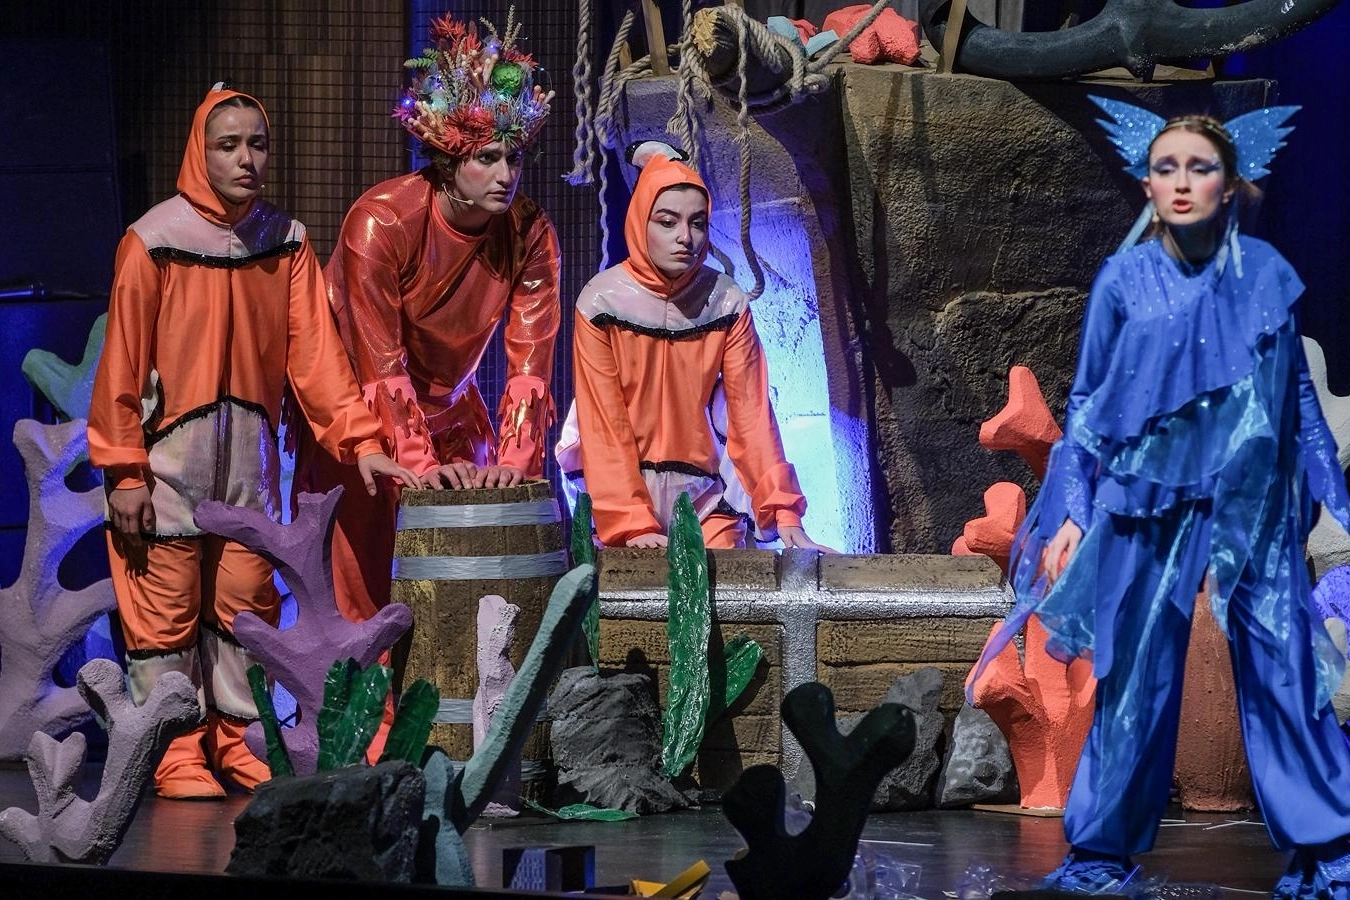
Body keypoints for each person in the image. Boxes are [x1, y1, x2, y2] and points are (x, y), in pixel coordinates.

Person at [971, 97, 1350, 897]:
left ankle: (1330, 850)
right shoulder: (1125, 281)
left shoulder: (1264, 277)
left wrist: (1326, 492)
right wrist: (1075, 510)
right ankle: (1099, 855)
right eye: (1166, 167)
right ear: (1148, 185)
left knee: (1282, 670)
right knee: (1134, 676)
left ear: (1228, 183)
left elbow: (1297, 397)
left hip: (1249, 499)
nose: (1181, 182)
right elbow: (1089, 401)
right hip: (1146, 500)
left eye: (1199, 168)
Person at [88, 85, 419, 799]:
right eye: (229, 145)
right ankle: (173, 753)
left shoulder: (285, 241)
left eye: (257, 144)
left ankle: (240, 743)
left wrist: (359, 441)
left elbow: (318, 360)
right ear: (200, 152)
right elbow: (120, 367)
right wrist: (124, 471)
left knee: (245, 610)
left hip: (251, 468)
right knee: (165, 617)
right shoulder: (153, 240)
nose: (246, 159)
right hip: (168, 467)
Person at [290, 12, 561, 753]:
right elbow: (378, 362)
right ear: (446, 160)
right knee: (366, 593)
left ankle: (455, 734)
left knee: (463, 583)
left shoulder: (531, 232)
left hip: (452, 415)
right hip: (363, 429)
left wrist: (513, 467)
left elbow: (530, 365)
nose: (505, 174)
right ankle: (364, 743)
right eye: (486, 158)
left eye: (513, 157)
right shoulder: (381, 223)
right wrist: (412, 461)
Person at [557, 142, 832, 552]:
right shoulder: (602, 301)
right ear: (640, 221)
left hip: (706, 497)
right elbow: (603, 422)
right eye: (667, 222)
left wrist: (783, 511)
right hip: (618, 497)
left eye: (697, 223)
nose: (685, 237)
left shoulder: (726, 301)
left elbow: (750, 413)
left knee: (725, 586)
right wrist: (630, 522)